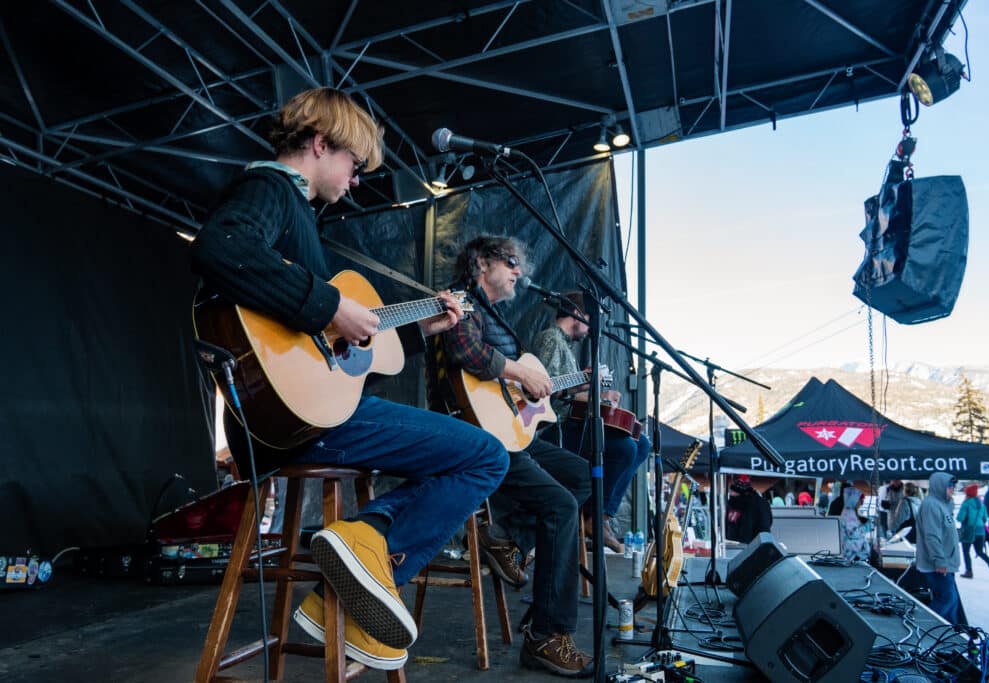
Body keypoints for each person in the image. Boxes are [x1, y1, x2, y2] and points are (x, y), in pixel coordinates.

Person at [190, 88, 509, 670]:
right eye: (354, 164)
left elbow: (348, 352)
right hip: (293, 425)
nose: (357, 179)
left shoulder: (299, 220)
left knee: (473, 453)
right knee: (486, 456)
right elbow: (220, 247)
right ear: (319, 144)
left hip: (301, 418)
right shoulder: (270, 191)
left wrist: (423, 330)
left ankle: (348, 578)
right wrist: (328, 306)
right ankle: (368, 550)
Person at [429, 235, 593, 677]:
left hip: (503, 429)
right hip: (474, 436)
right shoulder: (461, 301)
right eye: (511, 262)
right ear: (481, 261)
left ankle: (509, 541)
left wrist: (532, 390)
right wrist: (520, 370)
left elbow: (504, 386)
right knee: (559, 504)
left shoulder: (495, 314)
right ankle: (546, 636)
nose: (520, 272)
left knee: (580, 475)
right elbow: (465, 352)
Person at [532, 291, 651, 554]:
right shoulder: (551, 340)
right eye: (590, 319)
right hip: (555, 429)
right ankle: (593, 515)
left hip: (571, 424)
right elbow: (544, 393)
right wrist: (589, 390)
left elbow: (568, 393)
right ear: (578, 315)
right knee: (624, 448)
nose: (590, 328)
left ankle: (600, 516)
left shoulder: (564, 346)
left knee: (641, 444)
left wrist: (597, 394)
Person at [915, 472, 962, 624]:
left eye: (953, 486)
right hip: (937, 565)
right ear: (940, 486)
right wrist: (939, 561)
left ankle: (951, 633)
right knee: (947, 599)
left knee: (951, 601)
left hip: (946, 563)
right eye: (949, 486)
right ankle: (926, 626)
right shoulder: (931, 505)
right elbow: (932, 536)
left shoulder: (942, 504)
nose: (952, 489)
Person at [957, 483, 989, 579]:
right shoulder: (982, 505)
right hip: (981, 531)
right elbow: (985, 518)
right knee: (980, 552)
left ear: (968, 494)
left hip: (968, 530)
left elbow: (960, 518)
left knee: (966, 551)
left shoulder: (966, 503)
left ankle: (969, 571)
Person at [725, 475, 773, 543]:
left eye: (733, 491)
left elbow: (764, 527)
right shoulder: (732, 503)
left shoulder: (758, 504)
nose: (731, 493)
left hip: (753, 545)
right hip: (734, 545)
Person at [840, 486, 871, 563]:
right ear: (854, 499)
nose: (861, 503)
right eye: (860, 500)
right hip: (850, 551)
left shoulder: (851, 511)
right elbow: (854, 534)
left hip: (851, 550)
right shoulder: (849, 514)